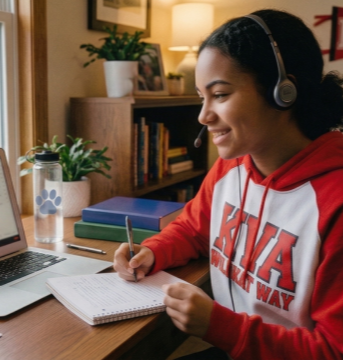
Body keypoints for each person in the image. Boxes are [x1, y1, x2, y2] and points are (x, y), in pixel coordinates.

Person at [114, 9, 343, 360]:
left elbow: (333, 350)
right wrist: (154, 250)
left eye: (219, 95)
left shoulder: (335, 204)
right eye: (201, 96)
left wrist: (220, 326)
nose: (203, 116)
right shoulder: (230, 167)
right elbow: (193, 227)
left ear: (283, 91)